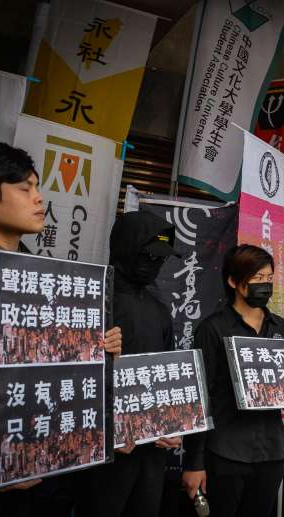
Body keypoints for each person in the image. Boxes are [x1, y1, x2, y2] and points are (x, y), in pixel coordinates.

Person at [0, 139, 122, 516]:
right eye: (24, 188)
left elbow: (51, 369)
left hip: (39, 472)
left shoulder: (39, 274)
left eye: (37, 186)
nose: (39, 199)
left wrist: (96, 350)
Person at [181, 244, 284, 517]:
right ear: (234, 281)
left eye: (269, 277)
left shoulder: (280, 327)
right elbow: (200, 396)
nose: (265, 284)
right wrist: (194, 462)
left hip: (272, 450)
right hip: (225, 450)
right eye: (257, 278)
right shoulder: (213, 329)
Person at [77, 211, 182, 517]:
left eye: (162, 258)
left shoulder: (158, 307)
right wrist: (102, 431)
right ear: (127, 249)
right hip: (104, 448)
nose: (156, 264)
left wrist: (172, 423)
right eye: (149, 255)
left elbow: (166, 372)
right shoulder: (91, 300)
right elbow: (68, 378)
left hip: (152, 447)